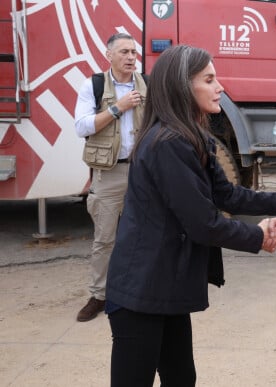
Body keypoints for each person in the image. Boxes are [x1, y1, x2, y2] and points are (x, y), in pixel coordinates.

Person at [104, 44, 276, 386]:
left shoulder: (193, 138)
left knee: (181, 377)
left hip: (166, 286)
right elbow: (203, 224)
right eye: (209, 79)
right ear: (182, 86)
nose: (220, 87)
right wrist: (259, 237)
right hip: (141, 290)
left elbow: (228, 195)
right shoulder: (167, 143)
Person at [74, 32, 148, 322]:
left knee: (144, 234)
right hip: (108, 172)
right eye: (124, 52)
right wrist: (118, 107)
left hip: (143, 172)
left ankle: (139, 292)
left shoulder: (148, 84)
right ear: (109, 56)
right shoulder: (92, 85)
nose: (131, 57)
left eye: (134, 52)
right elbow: (82, 127)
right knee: (105, 238)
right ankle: (99, 295)